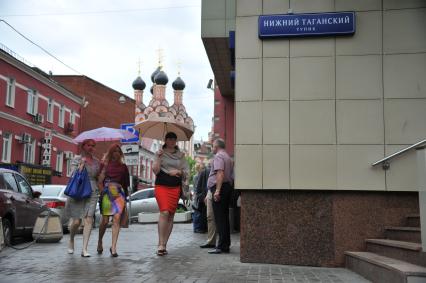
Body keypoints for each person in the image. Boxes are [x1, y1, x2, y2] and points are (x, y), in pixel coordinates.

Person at [152, 132, 189, 256]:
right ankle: (160, 244)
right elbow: (156, 171)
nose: (172, 141)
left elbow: (186, 172)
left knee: (171, 215)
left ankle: (164, 244)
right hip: (161, 185)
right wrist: (157, 157)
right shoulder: (159, 153)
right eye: (169, 139)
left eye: (174, 139)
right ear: (165, 140)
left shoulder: (181, 155)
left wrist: (178, 172)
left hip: (175, 187)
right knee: (164, 212)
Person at [65, 139, 100, 257]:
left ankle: (84, 249)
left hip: (92, 191)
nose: (91, 147)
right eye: (89, 145)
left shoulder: (96, 161)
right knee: (77, 221)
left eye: (93, 146)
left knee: (89, 218)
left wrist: (103, 166)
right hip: (79, 191)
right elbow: (72, 175)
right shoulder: (76, 158)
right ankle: (71, 240)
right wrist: (81, 166)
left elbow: (97, 176)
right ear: (83, 146)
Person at [97, 144, 130, 257]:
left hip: (119, 194)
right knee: (105, 221)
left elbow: (126, 184)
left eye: (118, 151)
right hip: (106, 193)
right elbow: (99, 181)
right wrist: (102, 192)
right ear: (110, 152)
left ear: (120, 153)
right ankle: (100, 241)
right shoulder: (104, 165)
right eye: (114, 151)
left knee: (116, 219)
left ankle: (114, 247)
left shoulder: (123, 167)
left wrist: (125, 198)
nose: (116, 153)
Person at [207, 138, 234, 254]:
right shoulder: (228, 157)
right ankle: (225, 245)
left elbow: (220, 173)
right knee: (224, 218)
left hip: (220, 188)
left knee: (220, 218)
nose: (212, 148)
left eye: (212, 146)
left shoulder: (218, 156)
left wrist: (217, 191)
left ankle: (221, 246)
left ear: (216, 146)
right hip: (227, 187)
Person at [192, 162, 207, 233]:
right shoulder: (196, 176)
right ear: (198, 169)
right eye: (202, 168)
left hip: (199, 196)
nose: (203, 170)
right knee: (197, 212)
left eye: (204, 168)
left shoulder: (200, 175)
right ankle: (196, 228)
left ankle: (199, 227)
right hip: (197, 197)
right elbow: (197, 188)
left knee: (200, 212)